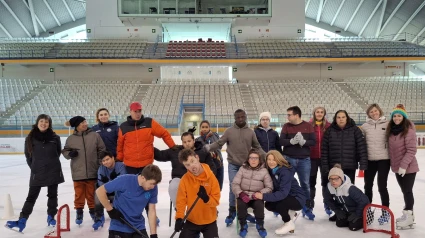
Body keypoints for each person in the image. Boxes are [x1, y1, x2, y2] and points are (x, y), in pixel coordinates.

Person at [204, 109, 264, 226]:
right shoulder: (229, 131)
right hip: (233, 165)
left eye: (242, 117)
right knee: (234, 187)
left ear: (245, 117)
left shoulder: (251, 132)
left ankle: (243, 211)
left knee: (246, 188)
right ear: (235, 118)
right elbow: (219, 143)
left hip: (246, 166)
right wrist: (207, 148)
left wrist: (267, 156)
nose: (240, 119)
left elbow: (257, 147)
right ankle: (232, 211)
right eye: (238, 117)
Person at [5, 114, 64, 233]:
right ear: (37, 123)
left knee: (53, 195)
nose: (44, 124)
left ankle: (51, 217)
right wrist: (35, 167)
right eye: (41, 121)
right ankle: (22, 220)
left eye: (46, 122)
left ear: (49, 124)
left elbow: (58, 152)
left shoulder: (55, 137)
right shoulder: (30, 138)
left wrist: (49, 163)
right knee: (31, 197)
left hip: (53, 169)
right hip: (37, 171)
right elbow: (28, 156)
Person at [154, 131, 217, 209]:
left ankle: (205, 209)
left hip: (198, 182)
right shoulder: (175, 151)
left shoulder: (203, 152)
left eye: (189, 141)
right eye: (184, 142)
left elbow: (212, 168)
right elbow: (160, 155)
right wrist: (147, 145)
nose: (187, 144)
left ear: (194, 140)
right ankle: (179, 209)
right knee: (173, 184)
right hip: (180, 182)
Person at [62, 116, 106, 225]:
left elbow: (102, 149)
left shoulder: (95, 135)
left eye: (85, 121)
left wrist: (100, 162)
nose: (85, 124)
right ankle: (79, 212)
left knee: (92, 194)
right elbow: (65, 151)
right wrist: (69, 154)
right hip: (78, 172)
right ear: (77, 126)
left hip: (93, 170)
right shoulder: (71, 139)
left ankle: (93, 212)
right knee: (79, 195)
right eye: (82, 123)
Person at [96, 164, 161, 238]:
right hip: (119, 226)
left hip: (138, 227)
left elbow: (151, 210)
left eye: (155, 184)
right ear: (143, 178)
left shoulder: (153, 188)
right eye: (151, 184)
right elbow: (100, 191)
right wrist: (110, 210)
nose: (153, 187)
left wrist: (153, 235)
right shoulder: (125, 180)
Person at [117, 101, 177, 174]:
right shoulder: (123, 126)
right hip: (130, 165)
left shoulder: (149, 122)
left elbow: (164, 133)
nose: (138, 114)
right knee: (132, 185)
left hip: (146, 164)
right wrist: (119, 158)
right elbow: (120, 144)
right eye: (135, 111)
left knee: (148, 184)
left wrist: (172, 146)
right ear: (130, 112)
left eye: (139, 111)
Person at [254, 150, 306, 235]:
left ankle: (288, 223)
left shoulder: (284, 171)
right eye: (269, 159)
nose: (271, 162)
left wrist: (263, 196)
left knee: (280, 204)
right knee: (269, 205)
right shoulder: (272, 170)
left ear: (278, 160)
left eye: (274, 160)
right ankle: (290, 212)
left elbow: (282, 193)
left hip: (297, 198)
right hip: (287, 197)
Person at [279, 106, 316, 220]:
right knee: (286, 183)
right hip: (288, 158)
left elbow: (313, 141)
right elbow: (281, 141)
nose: (288, 117)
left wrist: (303, 142)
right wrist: (291, 141)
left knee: (305, 184)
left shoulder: (308, 126)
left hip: (304, 160)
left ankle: (306, 207)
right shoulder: (286, 126)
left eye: (289, 115)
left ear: (296, 115)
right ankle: (282, 206)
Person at [174, 149, 220, 238]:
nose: (192, 166)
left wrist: (206, 198)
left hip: (209, 220)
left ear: (197, 158)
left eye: (192, 161)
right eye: (187, 165)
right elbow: (181, 201)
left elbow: (216, 200)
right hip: (192, 220)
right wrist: (179, 218)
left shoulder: (211, 177)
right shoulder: (185, 179)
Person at [387, 104, 419, 229]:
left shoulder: (408, 131)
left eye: (399, 115)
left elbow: (411, 150)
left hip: (408, 168)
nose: (396, 118)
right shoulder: (392, 131)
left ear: (403, 117)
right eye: (394, 116)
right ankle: (408, 214)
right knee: (405, 191)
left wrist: (404, 166)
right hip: (397, 167)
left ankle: (409, 216)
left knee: (407, 191)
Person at [231, 149, 273, 238]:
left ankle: (260, 225)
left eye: (256, 158)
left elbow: (269, 187)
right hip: (243, 195)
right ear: (248, 159)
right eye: (251, 158)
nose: (253, 160)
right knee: (241, 206)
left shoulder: (264, 171)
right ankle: (243, 225)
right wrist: (241, 193)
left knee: (259, 205)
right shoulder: (242, 169)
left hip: (256, 197)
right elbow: (235, 184)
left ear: (259, 160)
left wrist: (259, 193)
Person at [361, 103, 391, 223]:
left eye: (376, 111)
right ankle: (368, 212)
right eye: (371, 112)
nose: (374, 113)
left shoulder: (388, 124)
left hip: (384, 159)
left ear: (380, 111)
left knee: (382, 187)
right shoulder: (364, 126)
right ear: (368, 113)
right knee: (368, 186)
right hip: (370, 160)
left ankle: (385, 212)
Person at [321, 110, 368, 185]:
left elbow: (361, 147)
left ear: (347, 118)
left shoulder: (355, 130)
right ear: (335, 119)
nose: (341, 119)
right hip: (333, 167)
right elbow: (324, 150)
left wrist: (363, 164)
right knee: (334, 189)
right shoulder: (329, 131)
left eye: (343, 117)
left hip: (350, 166)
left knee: (348, 190)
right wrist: (325, 166)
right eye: (338, 117)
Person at [323, 164, 370, 231]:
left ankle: (364, 219)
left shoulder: (350, 188)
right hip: (346, 211)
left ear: (341, 178)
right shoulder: (330, 187)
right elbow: (328, 199)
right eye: (331, 179)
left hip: (358, 211)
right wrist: (337, 210)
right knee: (339, 223)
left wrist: (357, 214)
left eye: (336, 179)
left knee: (353, 227)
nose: (333, 181)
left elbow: (364, 201)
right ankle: (349, 218)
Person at [93, 151, 127, 230]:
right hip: (107, 190)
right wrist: (109, 184)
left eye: (107, 159)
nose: (105, 162)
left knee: (121, 196)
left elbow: (123, 182)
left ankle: (123, 216)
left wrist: (110, 181)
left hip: (118, 191)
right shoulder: (101, 168)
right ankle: (99, 217)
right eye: (103, 161)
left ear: (112, 158)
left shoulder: (121, 166)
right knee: (97, 195)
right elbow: (100, 184)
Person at [308, 106, 331, 215]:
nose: (319, 114)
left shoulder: (328, 126)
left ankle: (327, 204)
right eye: (317, 112)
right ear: (314, 113)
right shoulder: (308, 126)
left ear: (324, 114)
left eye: (322, 112)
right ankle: (309, 205)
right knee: (311, 182)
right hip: (311, 158)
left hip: (325, 158)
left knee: (325, 182)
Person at [196, 120, 224, 191]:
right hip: (207, 167)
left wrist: (211, 147)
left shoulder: (215, 135)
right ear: (200, 128)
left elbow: (220, 146)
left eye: (206, 127)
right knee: (208, 188)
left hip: (218, 164)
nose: (205, 129)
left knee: (218, 187)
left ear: (209, 127)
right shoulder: (198, 140)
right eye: (203, 127)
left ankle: (216, 201)